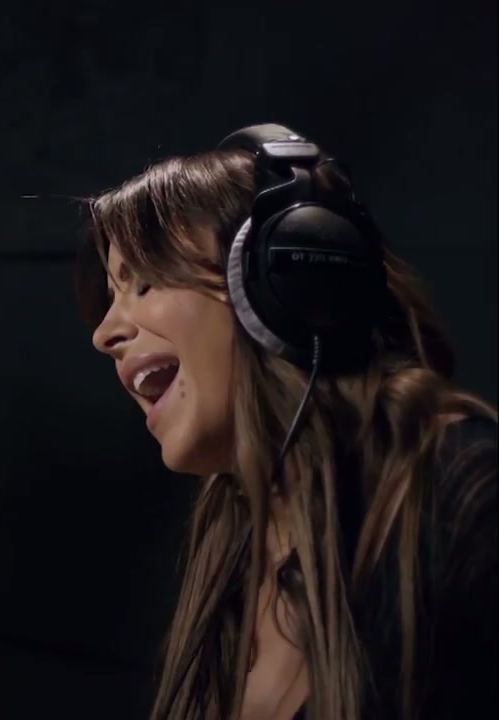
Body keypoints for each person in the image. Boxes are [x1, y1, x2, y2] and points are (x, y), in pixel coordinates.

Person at [76, 124, 496, 720]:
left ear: (281, 284)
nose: (104, 333)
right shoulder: (232, 543)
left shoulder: (467, 496)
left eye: (144, 283)